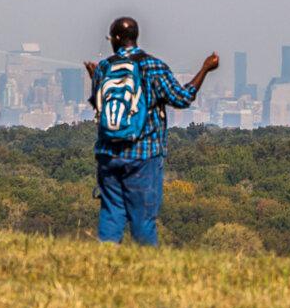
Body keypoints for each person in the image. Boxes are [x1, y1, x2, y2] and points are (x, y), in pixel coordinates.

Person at [84, 16, 218, 245]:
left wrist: (94, 76)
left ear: (115, 39)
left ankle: (103, 267)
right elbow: (182, 98)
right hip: (143, 154)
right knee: (143, 218)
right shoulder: (153, 66)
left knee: (111, 213)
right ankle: (148, 270)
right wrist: (205, 68)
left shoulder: (104, 67)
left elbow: (100, 106)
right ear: (134, 37)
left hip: (108, 154)